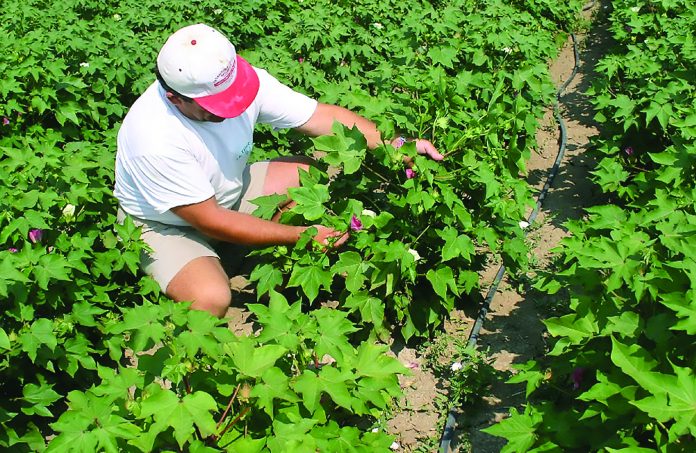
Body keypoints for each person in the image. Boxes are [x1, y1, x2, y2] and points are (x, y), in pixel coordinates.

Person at [114, 23, 443, 317]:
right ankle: (202, 271)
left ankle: (240, 251)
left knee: (307, 177)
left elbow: (321, 118)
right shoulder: (154, 137)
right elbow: (210, 220)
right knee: (211, 298)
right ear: (175, 98)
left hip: (229, 191)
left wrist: (398, 145)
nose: (234, 108)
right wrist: (300, 235)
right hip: (167, 224)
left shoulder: (241, 82)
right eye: (218, 105)